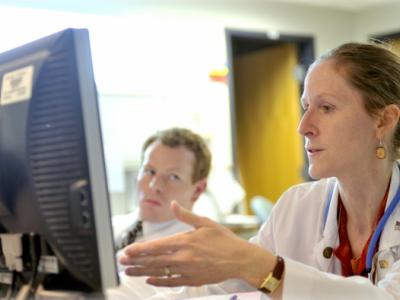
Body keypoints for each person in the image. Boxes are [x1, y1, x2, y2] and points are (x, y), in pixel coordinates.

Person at [119, 42, 400, 300]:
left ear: (383, 120)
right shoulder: (297, 206)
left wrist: (259, 266)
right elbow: (222, 283)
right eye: (306, 107)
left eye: (326, 107)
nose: (304, 126)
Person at [108, 127, 212, 299]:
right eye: (149, 171)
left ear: (198, 190)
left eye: (173, 177)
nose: (154, 186)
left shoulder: (189, 253)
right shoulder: (109, 227)